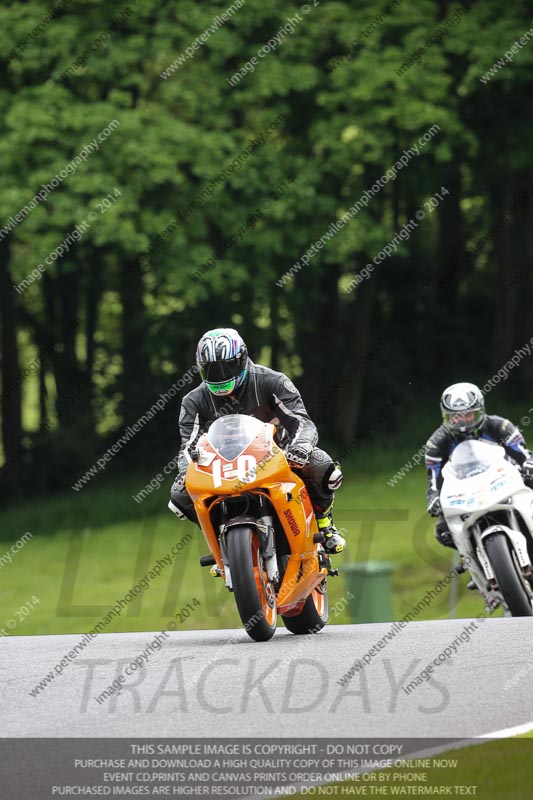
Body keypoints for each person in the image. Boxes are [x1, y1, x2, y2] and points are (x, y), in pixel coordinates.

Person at [168, 327, 345, 554]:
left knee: (324, 467)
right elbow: (188, 445)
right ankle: (223, 547)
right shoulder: (193, 400)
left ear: (242, 358)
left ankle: (324, 523)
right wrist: (186, 470)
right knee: (180, 496)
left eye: (227, 367)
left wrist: (300, 447)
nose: (220, 375)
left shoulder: (273, 381)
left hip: (277, 455)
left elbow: (301, 421)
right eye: (212, 370)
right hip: (221, 467)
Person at [425, 381, 533, 548]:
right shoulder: (437, 442)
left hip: (503, 480)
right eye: (455, 416)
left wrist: (528, 464)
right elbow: (434, 480)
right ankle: (474, 563)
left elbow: (523, 455)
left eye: (468, 414)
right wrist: (433, 498)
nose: (462, 422)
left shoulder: (499, 425)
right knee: (443, 532)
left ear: (480, 410)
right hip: (465, 493)